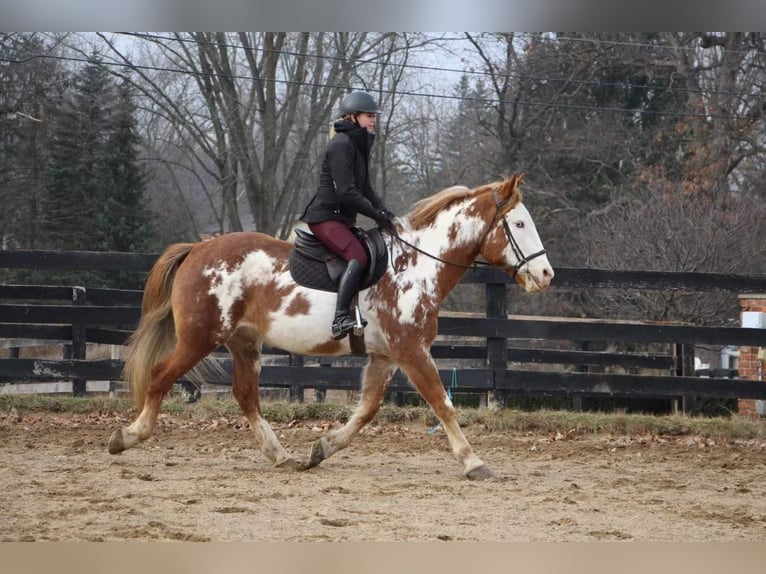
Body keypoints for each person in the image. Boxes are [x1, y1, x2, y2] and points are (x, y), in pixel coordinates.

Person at [299, 90, 396, 340]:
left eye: (374, 115)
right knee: (357, 255)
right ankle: (340, 317)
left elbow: (365, 189)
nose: (373, 119)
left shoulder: (357, 144)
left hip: (340, 218)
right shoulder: (341, 144)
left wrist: (384, 212)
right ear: (353, 117)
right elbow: (346, 193)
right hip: (325, 217)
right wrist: (375, 215)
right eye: (368, 115)